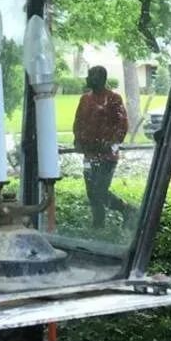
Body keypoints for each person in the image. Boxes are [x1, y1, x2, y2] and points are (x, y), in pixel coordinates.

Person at [72, 66, 132, 230]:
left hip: (107, 156)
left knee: (100, 190)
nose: (87, 79)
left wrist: (112, 142)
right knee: (92, 192)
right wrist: (77, 139)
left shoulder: (113, 99)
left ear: (101, 79)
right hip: (89, 154)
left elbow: (122, 124)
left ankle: (124, 209)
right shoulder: (85, 99)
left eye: (91, 76)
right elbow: (78, 121)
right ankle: (98, 223)